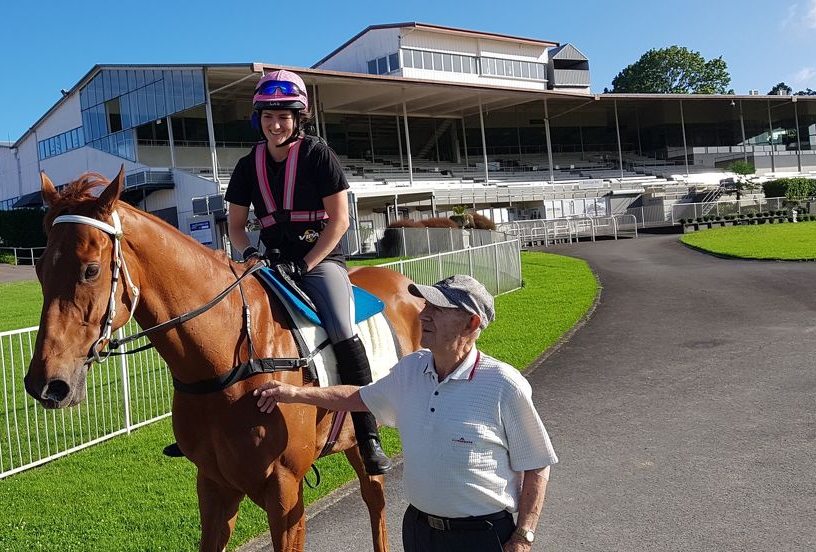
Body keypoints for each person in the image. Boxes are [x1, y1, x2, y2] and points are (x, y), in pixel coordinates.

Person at [162, 69, 393, 475]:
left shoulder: (318, 155)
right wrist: (251, 252)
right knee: (226, 323)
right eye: (268, 116)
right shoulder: (247, 165)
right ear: (259, 119)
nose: (275, 124)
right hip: (269, 262)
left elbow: (339, 220)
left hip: (320, 262)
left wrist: (305, 263)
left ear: (298, 117)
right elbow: (235, 225)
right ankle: (207, 427)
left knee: (341, 326)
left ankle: (368, 431)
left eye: (283, 116)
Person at [255, 275, 558, 551]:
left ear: (471, 324)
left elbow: (537, 464)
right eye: (426, 306)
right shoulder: (412, 369)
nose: (423, 315)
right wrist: (295, 394)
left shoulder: (504, 384)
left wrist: (523, 536)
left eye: (438, 309)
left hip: (481, 536)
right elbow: (359, 397)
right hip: (419, 531)